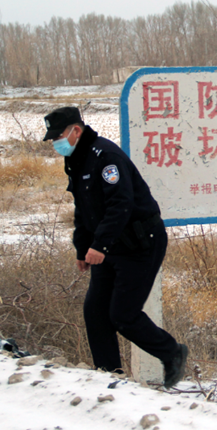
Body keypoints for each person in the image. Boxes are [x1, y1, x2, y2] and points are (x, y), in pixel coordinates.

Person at [43, 106, 188, 388]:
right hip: (110, 245)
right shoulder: (77, 159)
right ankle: (109, 375)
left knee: (123, 315)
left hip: (140, 243)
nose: (55, 144)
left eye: (58, 137)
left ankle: (172, 352)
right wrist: (83, 248)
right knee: (95, 312)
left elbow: (120, 204)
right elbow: (83, 209)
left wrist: (99, 245)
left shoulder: (106, 157)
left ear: (76, 131)